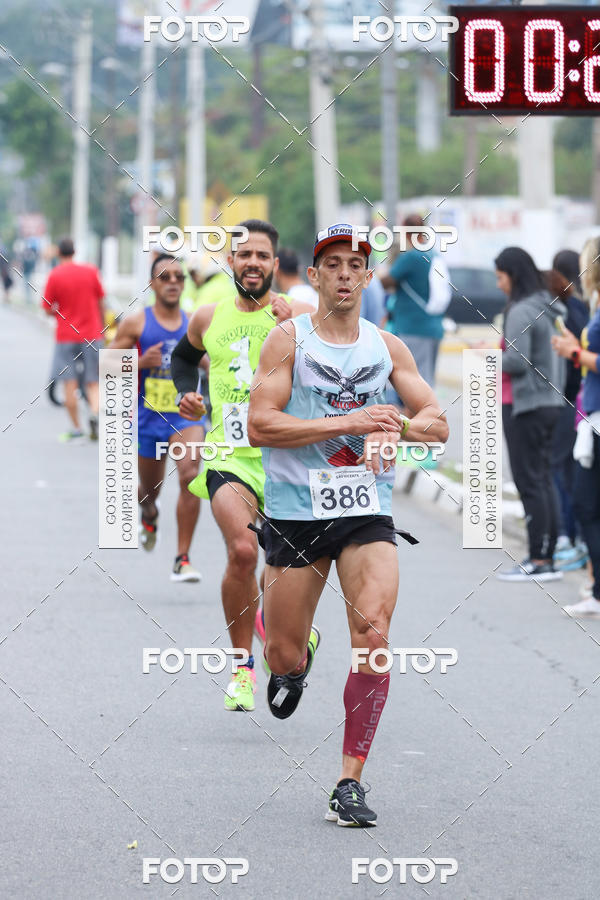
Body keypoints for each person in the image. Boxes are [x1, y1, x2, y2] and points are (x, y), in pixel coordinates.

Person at [247, 223, 449, 826]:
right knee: (282, 657)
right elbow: (261, 425)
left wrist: (395, 427)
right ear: (313, 277)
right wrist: (351, 422)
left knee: (375, 637)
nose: (342, 274)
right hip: (295, 512)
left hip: (365, 510)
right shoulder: (288, 341)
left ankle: (348, 781)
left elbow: (436, 424)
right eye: (330, 264)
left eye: (353, 265)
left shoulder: (387, 348)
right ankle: (292, 651)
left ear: (366, 277)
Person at [171, 220, 315, 711]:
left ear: (276, 264)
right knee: (241, 552)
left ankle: (292, 640)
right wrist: (186, 395)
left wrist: (293, 328)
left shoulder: (300, 316)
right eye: (244, 254)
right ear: (230, 262)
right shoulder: (207, 316)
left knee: (281, 569)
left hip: (285, 460)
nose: (252, 262)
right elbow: (183, 358)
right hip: (228, 455)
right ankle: (242, 668)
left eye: (262, 255)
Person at [109, 254, 206, 581]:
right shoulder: (136, 323)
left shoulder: (194, 323)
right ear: (153, 284)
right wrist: (138, 363)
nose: (174, 282)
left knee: (190, 473)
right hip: (148, 419)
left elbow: (212, 363)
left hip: (185, 417)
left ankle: (183, 558)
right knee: (149, 492)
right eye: (165, 277)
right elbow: (104, 366)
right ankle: (149, 514)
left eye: (179, 276)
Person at [495, 247, 566, 582]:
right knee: (542, 480)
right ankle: (546, 557)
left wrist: (484, 354)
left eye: (500, 277)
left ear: (513, 274)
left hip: (527, 405)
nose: (498, 284)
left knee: (530, 482)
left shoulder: (522, 310)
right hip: (551, 402)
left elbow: (516, 362)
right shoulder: (547, 305)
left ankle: (539, 559)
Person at [552, 235, 600, 616]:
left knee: (586, 505)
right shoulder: (593, 306)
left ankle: (598, 591)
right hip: (591, 415)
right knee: (588, 504)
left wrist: (575, 353)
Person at [547, 251, 589, 571]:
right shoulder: (586, 307)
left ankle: (568, 536)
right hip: (581, 399)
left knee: (562, 467)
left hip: (569, 399)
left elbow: (573, 356)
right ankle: (573, 536)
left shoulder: (567, 309)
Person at [42, 238, 105, 441]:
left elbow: (46, 307)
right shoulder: (91, 271)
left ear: (59, 253)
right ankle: (94, 414)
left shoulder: (55, 275)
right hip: (92, 335)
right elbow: (101, 299)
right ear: (75, 251)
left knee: (69, 383)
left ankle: (77, 428)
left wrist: (59, 313)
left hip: (66, 337)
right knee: (93, 382)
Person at [380, 214, 445, 388]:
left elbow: (386, 282)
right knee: (427, 380)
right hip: (434, 327)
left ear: (406, 232)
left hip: (413, 327)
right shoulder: (434, 254)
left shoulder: (412, 257)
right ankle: (428, 414)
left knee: (415, 385)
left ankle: (424, 416)